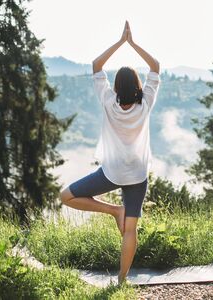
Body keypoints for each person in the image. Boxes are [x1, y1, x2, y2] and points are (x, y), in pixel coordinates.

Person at [59, 20, 160, 284]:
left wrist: (119, 42)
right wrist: (133, 43)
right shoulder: (146, 104)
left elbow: (96, 66)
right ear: (138, 87)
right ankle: (122, 280)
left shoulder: (108, 101)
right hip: (137, 175)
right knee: (131, 229)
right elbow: (155, 68)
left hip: (111, 173)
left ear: (116, 88)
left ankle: (114, 210)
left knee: (66, 196)